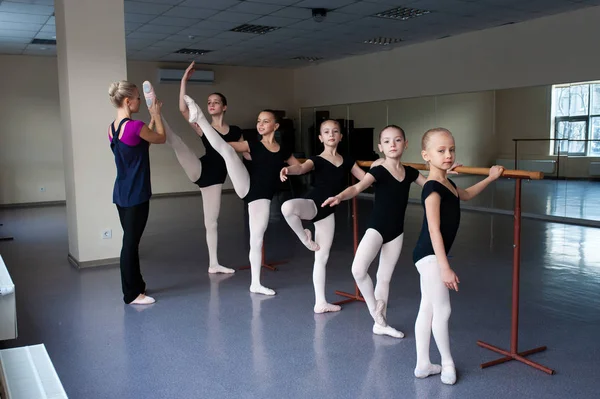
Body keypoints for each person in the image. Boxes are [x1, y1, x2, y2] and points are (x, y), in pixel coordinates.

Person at [184, 95, 301, 295]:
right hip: (246, 186)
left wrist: (288, 171)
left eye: (265, 121)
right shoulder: (251, 144)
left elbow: (299, 167)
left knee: (257, 239)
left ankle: (255, 283)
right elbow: (222, 145)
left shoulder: (283, 150)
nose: (261, 124)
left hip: (261, 198)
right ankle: (200, 117)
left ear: (276, 125)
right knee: (227, 151)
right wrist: (202, 126)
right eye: (258, 121)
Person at [412, 127, 503, 385]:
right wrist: (444, 267)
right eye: (441, 151)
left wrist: (490, 177)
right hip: (429, 256)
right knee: (443, 310)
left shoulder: (447, 183)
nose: (448, 154)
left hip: (428, 255)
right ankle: (447, 364)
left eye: (451, 149)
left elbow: (467, 194)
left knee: (427, 309)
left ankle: (423, 364)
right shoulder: (431, 188)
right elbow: (433, 229)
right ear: (426, 155)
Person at [142, 61, 241, 274]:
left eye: (216, 102)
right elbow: (183, 109)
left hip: (215, 180)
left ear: (224, 107)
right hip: (200, 168)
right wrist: (184, 80)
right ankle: (154, 110)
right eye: (209, 102)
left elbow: (245, 152)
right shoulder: (203, 126)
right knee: (176, 141)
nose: (211, 104)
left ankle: (213, 264)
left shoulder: (235, 131)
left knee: (211, 222)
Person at [323, 125, 420, 337]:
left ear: (405, 143)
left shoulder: (411, 172)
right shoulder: (378, 170)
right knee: (358, 270)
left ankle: (381, 325)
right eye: (386, 141)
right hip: (377, 228)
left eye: (397, 140)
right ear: (380, 147)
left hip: (397, 232)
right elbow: (358, 187)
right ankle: (376, 312)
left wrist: (444, 170)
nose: (392, 145)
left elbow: (432, 183)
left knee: (384, 278)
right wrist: (340, 196)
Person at [279, 119, 365, 313]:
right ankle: (305, 238)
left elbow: (365, 179)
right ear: (320, 137)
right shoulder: (316, 159)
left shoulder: (348, 161)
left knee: (322, 258)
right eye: (326, 132)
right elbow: (301, 168)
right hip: (314, 204)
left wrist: (383, 165)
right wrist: (288, 169)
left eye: (335, 131)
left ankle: (320, 303)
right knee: (287, 207)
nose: (331, 134)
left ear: (341, 136)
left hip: (329, 212)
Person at [108, 80, 166, 305]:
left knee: (131, 241)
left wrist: (148, 123)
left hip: (122, 192)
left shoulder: (112, 128)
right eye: (137, 97)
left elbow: (138, 147)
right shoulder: (134, 125)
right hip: (136, 193)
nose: (140, 100)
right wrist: (157, 115)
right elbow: (160, 138)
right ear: (127, 101)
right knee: (130, 244)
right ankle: (132, 294)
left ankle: (138, 285)